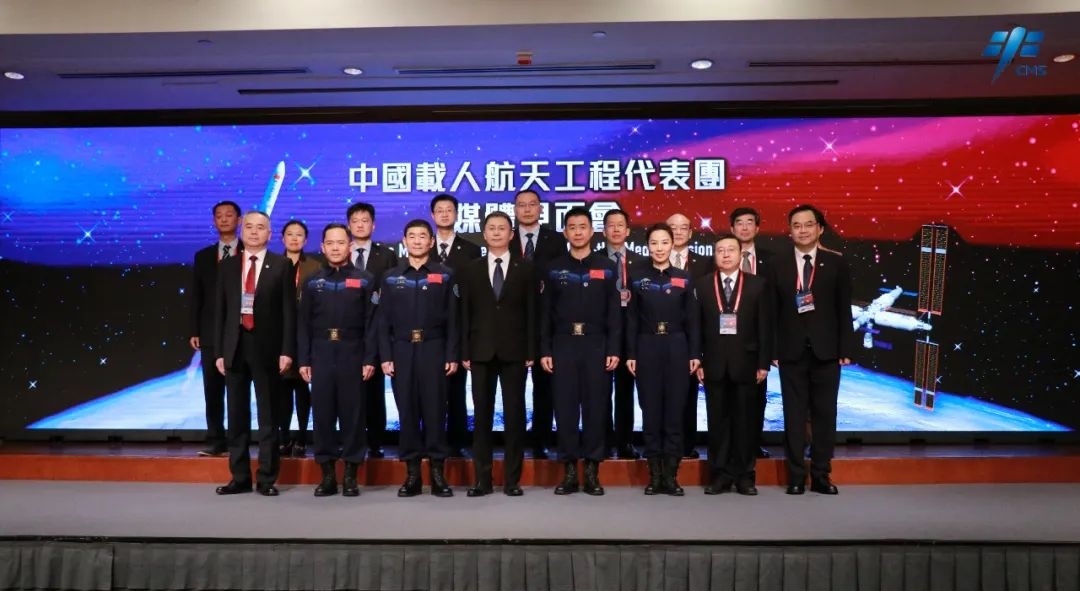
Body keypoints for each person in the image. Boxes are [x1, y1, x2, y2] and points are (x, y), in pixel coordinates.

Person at [766, 204, 855, 495]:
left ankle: (821, 475)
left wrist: (845, 347)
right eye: (796, 225)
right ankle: (795, 476)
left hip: (826, 351)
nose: (802, 230)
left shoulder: (836, 263)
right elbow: (772, 311)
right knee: (793, 416)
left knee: (825, 415)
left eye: (808, 225)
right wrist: (773, 349)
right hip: (790, 352)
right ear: (790, 231)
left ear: (820, 229)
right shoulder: (777, 264)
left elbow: (843, 309)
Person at [213, 211, 296, 496]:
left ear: (269, 234)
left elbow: (289, 312)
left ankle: (266, 479)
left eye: (260, 227)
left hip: (267, 348)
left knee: (268, 417)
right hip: (235, 347)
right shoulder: (227, 265)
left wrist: (287, 350)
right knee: (236, 416)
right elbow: (220, 312)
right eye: (249, 227)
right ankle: (239, 477)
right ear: (241, 230)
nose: (253, 232)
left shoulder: (281, 265)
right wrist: (220, 351)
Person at [539, 207, 621, 496]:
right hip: (563, 345)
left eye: (582, 226)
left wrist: (614, 348)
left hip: (596, 344)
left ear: (592, 230)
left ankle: (592, 471)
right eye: (572, 227)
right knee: (565, 408)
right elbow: (545, 313)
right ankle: (570, 471)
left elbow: (614, 312)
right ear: (565, 232)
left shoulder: (606, 267)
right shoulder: (553, 268)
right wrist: (545, 349)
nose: (577, 232)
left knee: (596, 408)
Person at [376, 220, 460, 498]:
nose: (417, 240)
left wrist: (452, 354)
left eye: (422, 236)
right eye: (411, 236)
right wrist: (385, 356)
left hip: (434, 348)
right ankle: (412, 474)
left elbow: (454, 319)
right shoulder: (390, 276)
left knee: (436, 411)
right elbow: (382, 320)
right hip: (401, 349)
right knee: (407, 412)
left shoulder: (445, 275)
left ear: (431, 242)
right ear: (404, 241)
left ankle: (437, 474)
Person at [297, 223, 378, 497]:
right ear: (322, 247)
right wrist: (304, 359)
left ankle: (351, 475)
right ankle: (328, 475)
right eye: (330, 243)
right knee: (322, 415)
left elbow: (372, 323)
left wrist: (369, 358)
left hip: (352, 352)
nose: (335, 247)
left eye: (340, 242)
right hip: (320, 353)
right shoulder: (312, 282)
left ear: (350, 246)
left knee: (353, 416)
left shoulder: (365, 280)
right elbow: (303, 324)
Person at [460, 212, 535, 497]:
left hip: (515, 351)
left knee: (515, 416)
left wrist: (531, 350)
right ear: (484, 233)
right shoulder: (471, 269)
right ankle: (483, 480)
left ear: (511, 234)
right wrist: (465, 350)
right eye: (491, 228)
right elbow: (464, 313)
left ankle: (512, 481)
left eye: (502, 228)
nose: (496, 232)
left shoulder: (525, 268)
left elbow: (533, 313)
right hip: (480, 351)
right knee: (482, 417)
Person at [694, 234, 773, 496]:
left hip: (747, 363)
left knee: (745, 422)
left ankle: (745, 475)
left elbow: (765, 327)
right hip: (713, 363)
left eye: (731, 250)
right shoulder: (703, 285)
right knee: (717, 422)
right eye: (720, 250)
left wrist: (763, 362)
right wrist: (699, 358)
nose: (726, 254)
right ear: (714, 255)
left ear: (741, 254)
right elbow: (697, 326)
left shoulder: (757, 285)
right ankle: (719, 475)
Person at [625, 224, 701, 496]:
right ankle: (654, 477)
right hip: (647, 346)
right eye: (654, 243)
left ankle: (671, 477)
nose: (659, 248)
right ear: (647, 246)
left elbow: (693, 320)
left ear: (672, 245)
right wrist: (631, 353)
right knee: (651, 412)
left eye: (664, 242)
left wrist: (694, 353)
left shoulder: (684, 278)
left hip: (677, 346)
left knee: (674, 414)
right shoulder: (636, 277)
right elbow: (631, 319)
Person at [509, 189, 568, 459]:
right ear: (514, 210)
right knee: (514, 387)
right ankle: (516, 439)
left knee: (545, 387)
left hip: (546, 320)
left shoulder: (555, 240)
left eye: (532, 204)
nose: (527, 209)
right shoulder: (506, 237)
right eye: (521, 205)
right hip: (514, 323)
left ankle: (541, 439)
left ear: (540, 209)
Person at [430, 193, 483, 457]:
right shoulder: (423, 246)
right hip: (428, 328)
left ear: (457, 214)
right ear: (432, 215)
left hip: (459, 326)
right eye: (439, 210)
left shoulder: (471, 250)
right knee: (429, 390)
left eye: (449, 210)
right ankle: (431, 440)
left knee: (456, 388)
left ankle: (457, 441)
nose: (444, 214)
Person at [189, 200, 241, 457]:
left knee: (238, 388)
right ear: (214, 221)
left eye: (229, 215)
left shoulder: (250, 253)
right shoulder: (203, 256)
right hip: (210, 332)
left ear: (239, 220)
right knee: (213, 388)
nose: (224, 219)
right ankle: (215, 439)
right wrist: (195, 329)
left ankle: (238, 439)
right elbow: (196, 296)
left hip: (242, 331)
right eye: (219, 216)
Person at [347, 202, 399, 459]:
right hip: (347, 329)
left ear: (373, 225)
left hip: (377, 327)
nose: (360, 225)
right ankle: (351, 438)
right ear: (349, 225)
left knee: (375, 388)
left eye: (365, 220)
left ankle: (376, 440)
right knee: (349, 388)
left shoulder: (386, 255)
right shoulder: (340, 251)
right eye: (355, 221)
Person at [599, 208, 647, 460]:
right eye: (611, 225)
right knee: (601, 390)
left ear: (628, 231)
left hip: (632, 332)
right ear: (603, 230)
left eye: (621, 225)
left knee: (627, 390)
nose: (616, 229)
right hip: (602, 332)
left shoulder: (641, 262)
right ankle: (604, 441)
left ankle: (625, 442)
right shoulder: (595, 260)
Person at [666, 212, 712, 459]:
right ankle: (666, 444)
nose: (678, 232)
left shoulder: (705, 263)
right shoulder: (653, 262)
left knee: (690, 392)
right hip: (663, 336)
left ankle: (687, 444)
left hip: (695, 335)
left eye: (683, 227)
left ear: (691, 232)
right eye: (672, 227)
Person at [730, 207, 775, 460]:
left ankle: (753, 443)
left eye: (750, 222)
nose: (745, 227)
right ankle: (731, 445)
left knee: (758, 395)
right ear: (732, 228)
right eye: (740, 223)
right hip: (726, 337)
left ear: (757, 228)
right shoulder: (720, 257)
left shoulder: (772, 261)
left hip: (758, 338)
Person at [277, 220, 321, 458]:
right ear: (282, 238)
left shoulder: (315, 266)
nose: (294, 238)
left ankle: (303, 437)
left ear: (306, 240)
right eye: (290, 234)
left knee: (303, 388)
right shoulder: (273, 264)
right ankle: (283, 437)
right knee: (282, 389)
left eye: (299, 235)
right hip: (279, 334)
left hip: (306, 333)